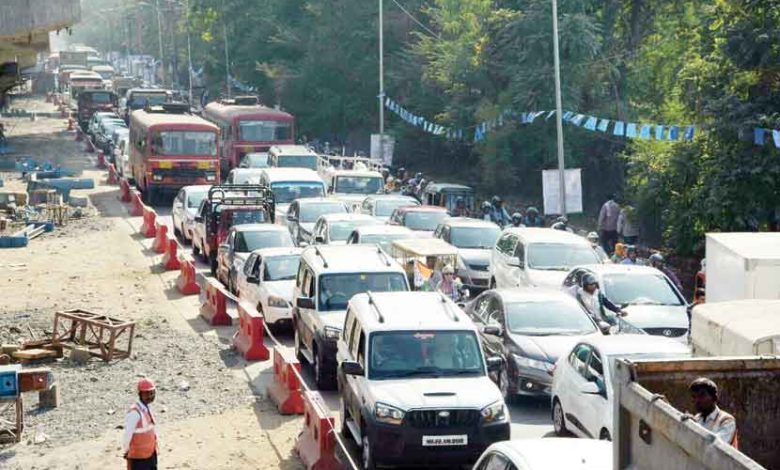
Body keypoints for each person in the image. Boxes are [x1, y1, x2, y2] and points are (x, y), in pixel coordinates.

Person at [689, 377, 738, 448]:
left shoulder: (727, 420)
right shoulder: (697, 419)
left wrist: (695, 427)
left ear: (714, 398)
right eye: (694, 397)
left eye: (702, 396)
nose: (697, 401)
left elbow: (716, 446)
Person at [123, 378, 158, 470]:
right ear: (140, 394)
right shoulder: (135, 412)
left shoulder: (146, 408)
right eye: (146, 393)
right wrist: (127, 451)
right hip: (139, 458)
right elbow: (127, 434)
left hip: (150, 455)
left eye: (152, 393)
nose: (150, 396)